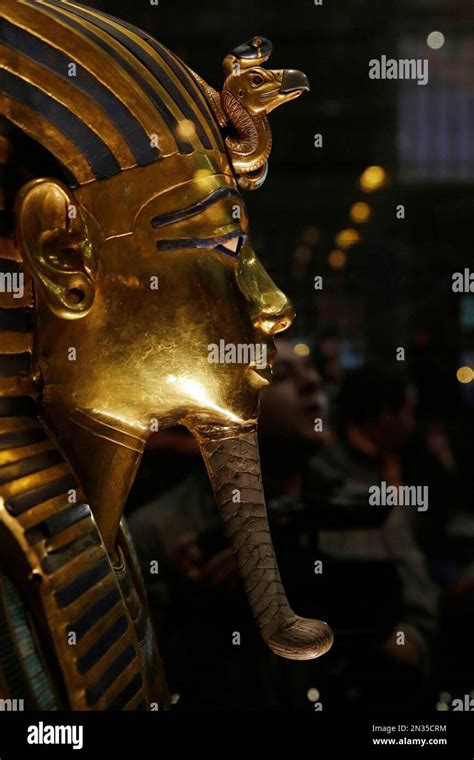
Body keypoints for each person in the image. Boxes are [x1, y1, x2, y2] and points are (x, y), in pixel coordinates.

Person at [129, 348, 438, 710]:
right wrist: (197, 610)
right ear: (227, 401)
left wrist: (367, 637)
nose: (312, 382)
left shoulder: (372, 510)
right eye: (282, 374)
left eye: (310, 369)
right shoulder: (156, 531)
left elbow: (422, 628)